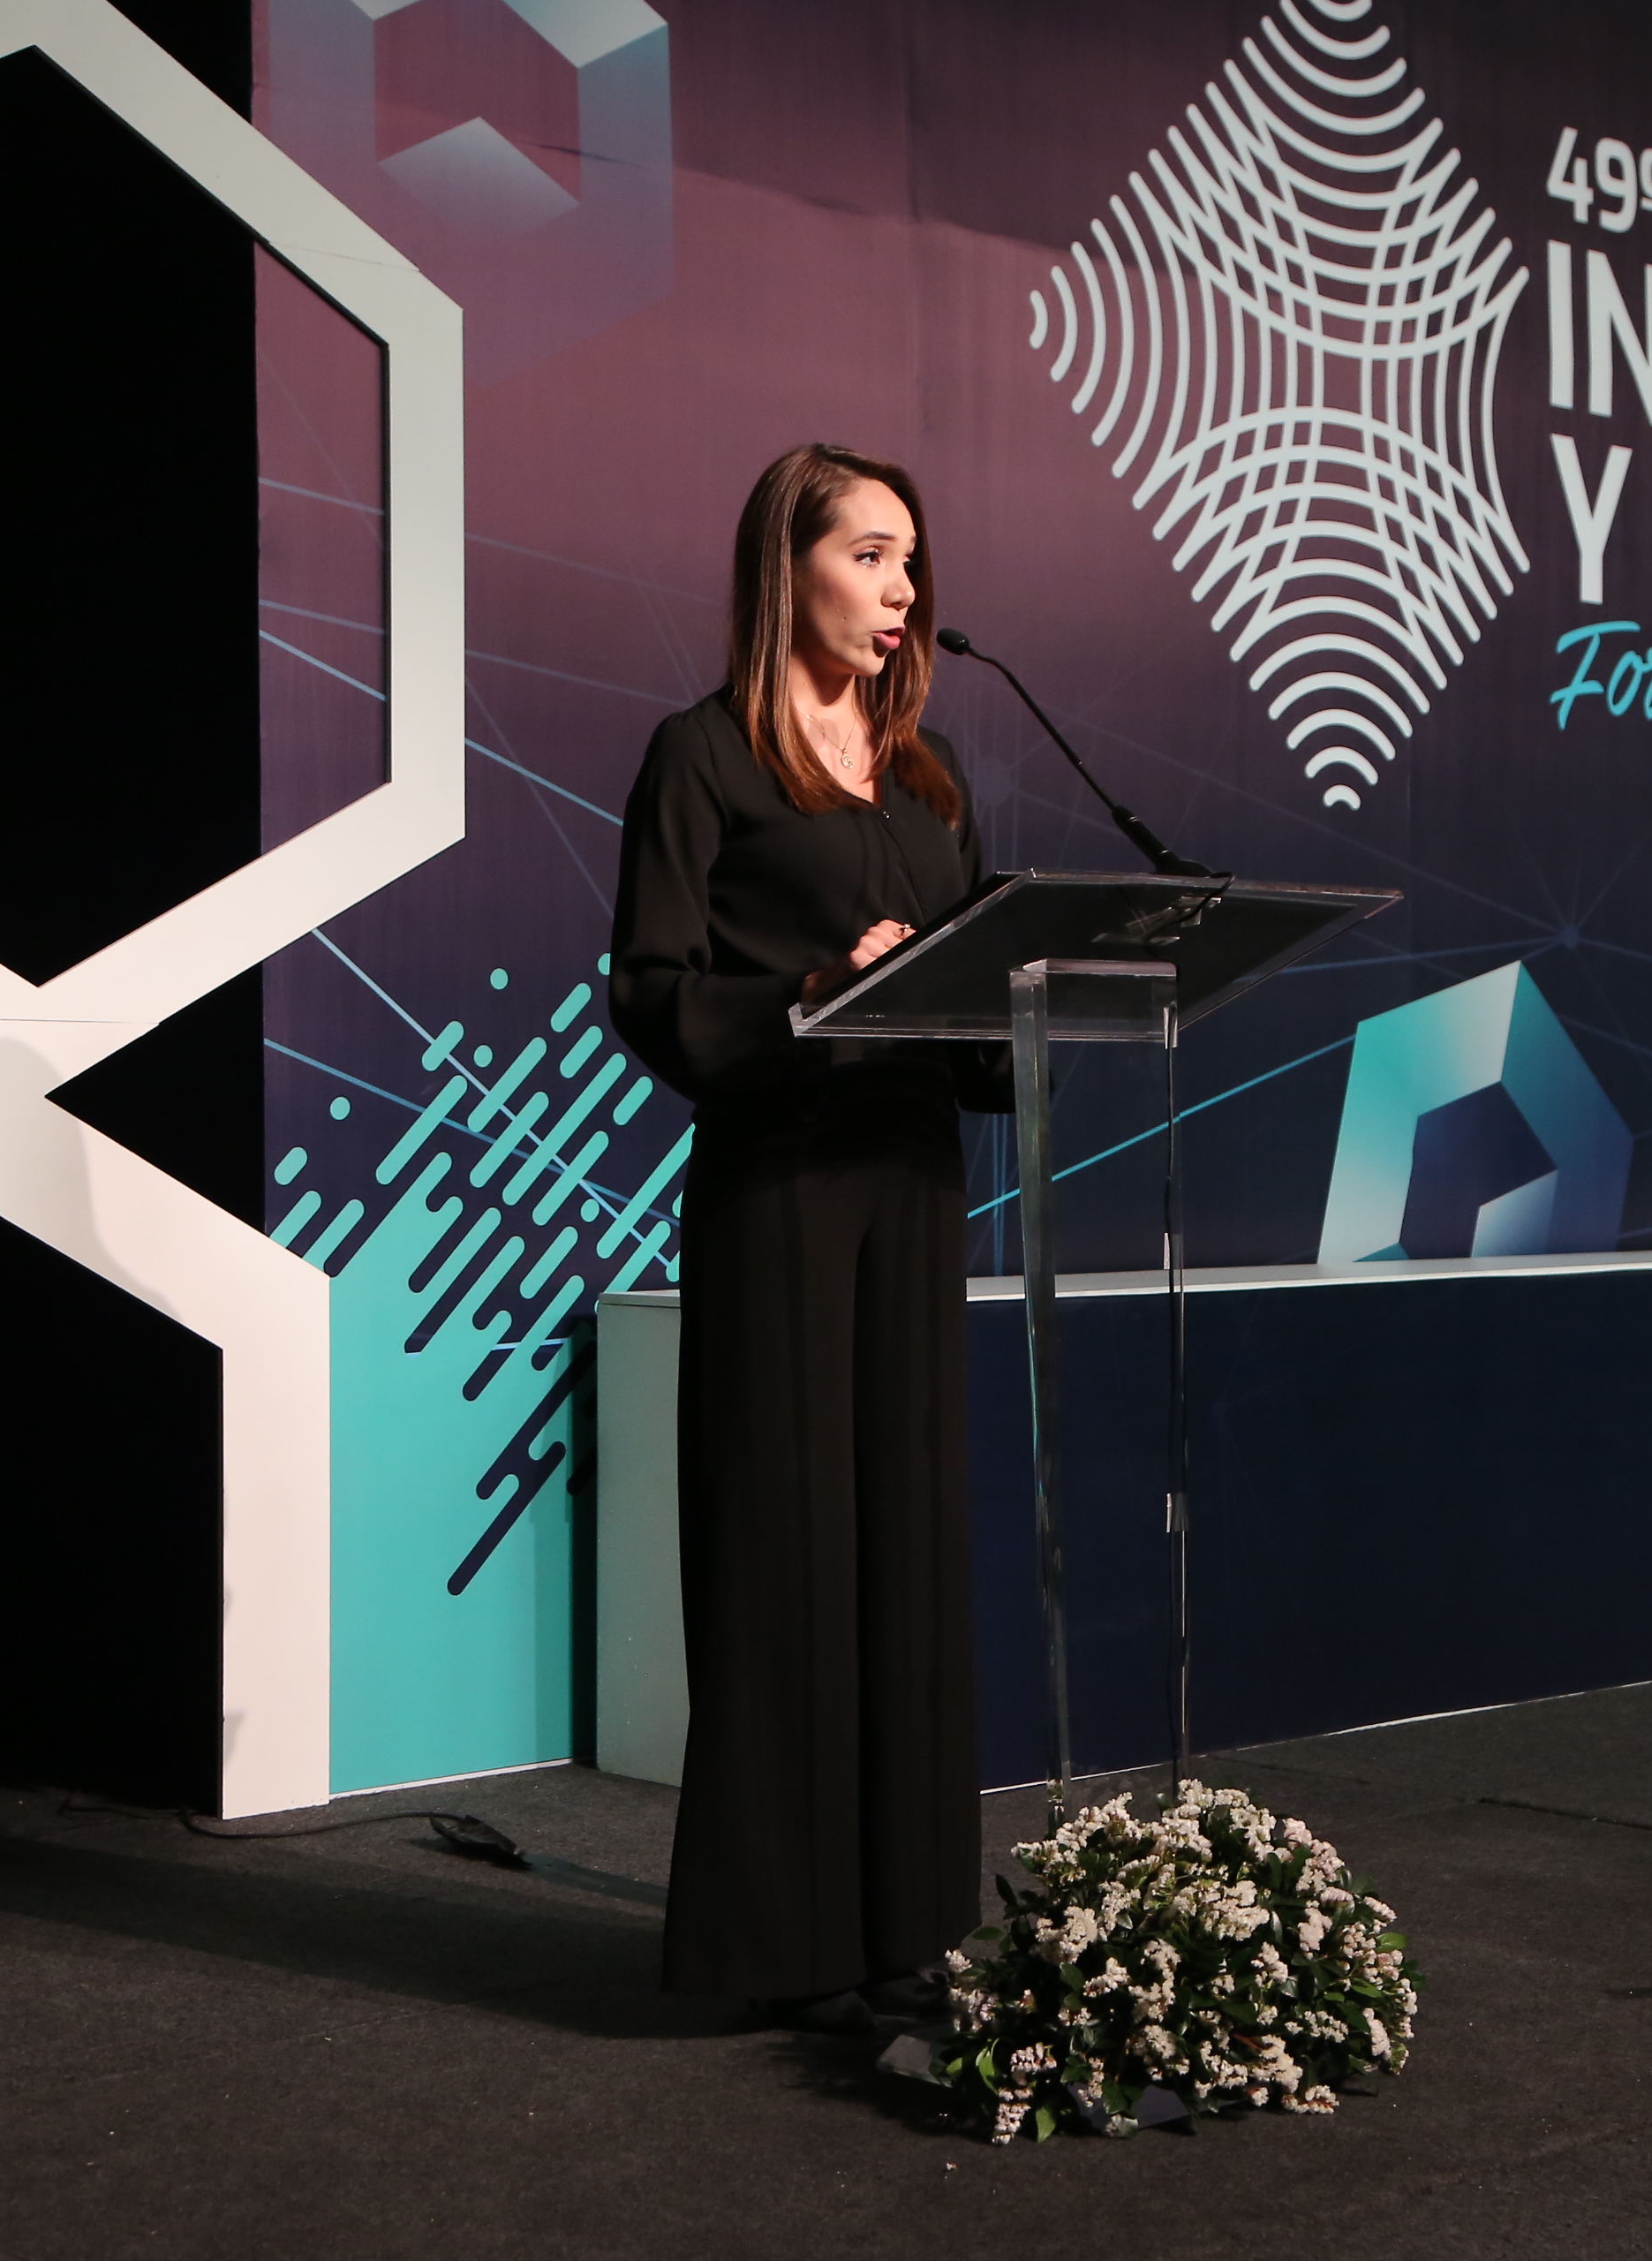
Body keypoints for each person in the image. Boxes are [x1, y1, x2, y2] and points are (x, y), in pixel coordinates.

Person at [607, 443, 1007, 2031]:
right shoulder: (704, 755)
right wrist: (812, 995)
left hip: (909, 1186)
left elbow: (976, 999)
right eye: (870, 555)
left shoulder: (930, 775)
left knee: (903, 1549)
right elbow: (653, 991)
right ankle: (775, 1947)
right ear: (790, 568)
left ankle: (909, 1930)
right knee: (786, 1555)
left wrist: (1002, 1000)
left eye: (912, 560)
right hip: (781, 1188)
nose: (903, 589)